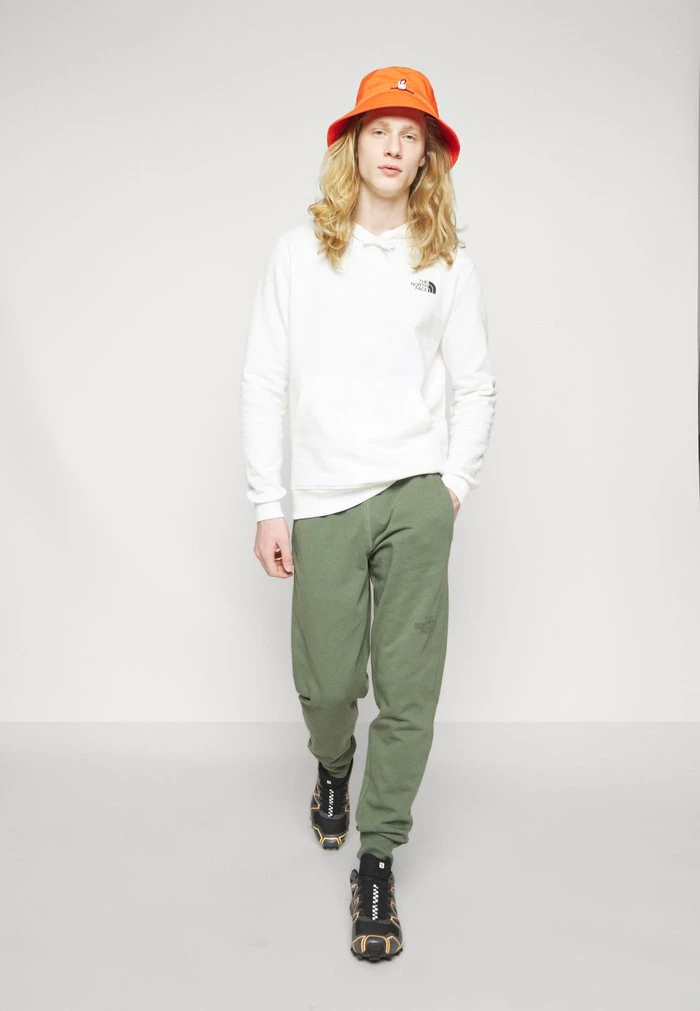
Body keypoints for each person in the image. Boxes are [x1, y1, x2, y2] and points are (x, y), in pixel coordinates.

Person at [240, 65, 497, 961]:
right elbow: (264, 378)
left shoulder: (447, 262)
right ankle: (333, 763)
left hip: (416, 496)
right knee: (327, 686)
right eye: (379, 129)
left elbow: (475, 384)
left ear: (428, 156)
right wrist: (268, 502)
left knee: (410, 691)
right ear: (352, 145)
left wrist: (450, 486)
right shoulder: (299, 252)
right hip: (322, 500)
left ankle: (378, 856)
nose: (393, 146)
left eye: (409, 134)